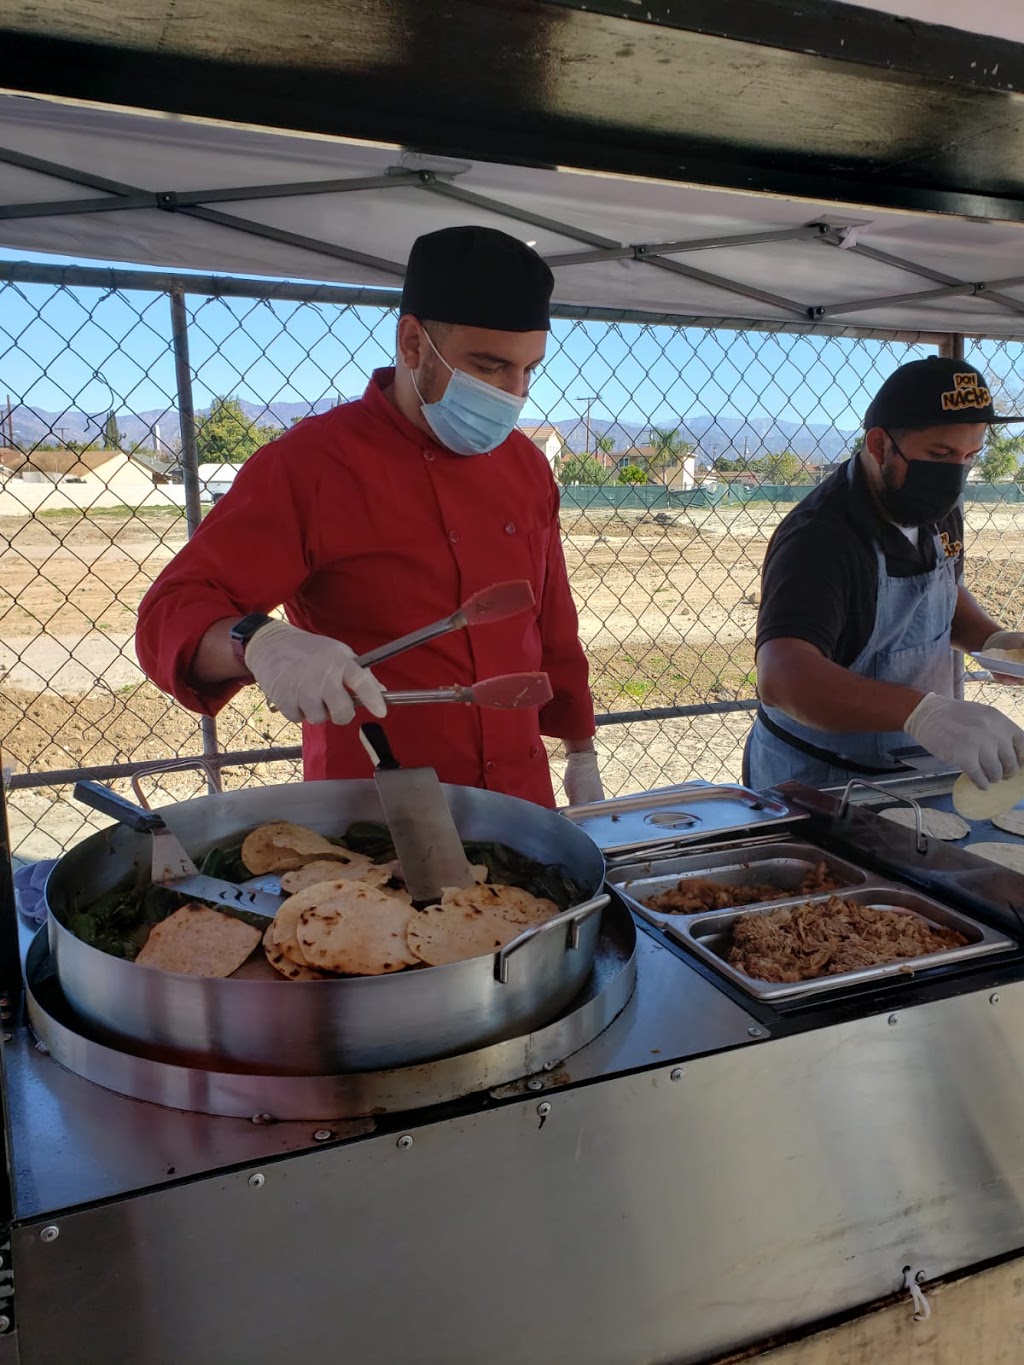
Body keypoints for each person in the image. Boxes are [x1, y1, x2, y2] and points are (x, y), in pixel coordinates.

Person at [136, 226, 603, 809]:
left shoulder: (526, 465)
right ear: (412, 343)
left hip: (520, 806)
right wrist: (258, 641)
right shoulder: (311, 465)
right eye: (488, 368)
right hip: (370, 821)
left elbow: (552, 625)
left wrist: (581, 753)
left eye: (528, 370)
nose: (514, 395)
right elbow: (168, 613)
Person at [744, 355, 1024, 792]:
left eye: (969, 456)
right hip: (822, 782)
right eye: (940, 454)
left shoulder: (935, 508)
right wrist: (923, 713)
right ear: (879, 445)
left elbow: (939, 594)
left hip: (914, 774)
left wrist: (992, 641)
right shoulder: (821, 536)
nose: (955, 475)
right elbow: (783, 675)